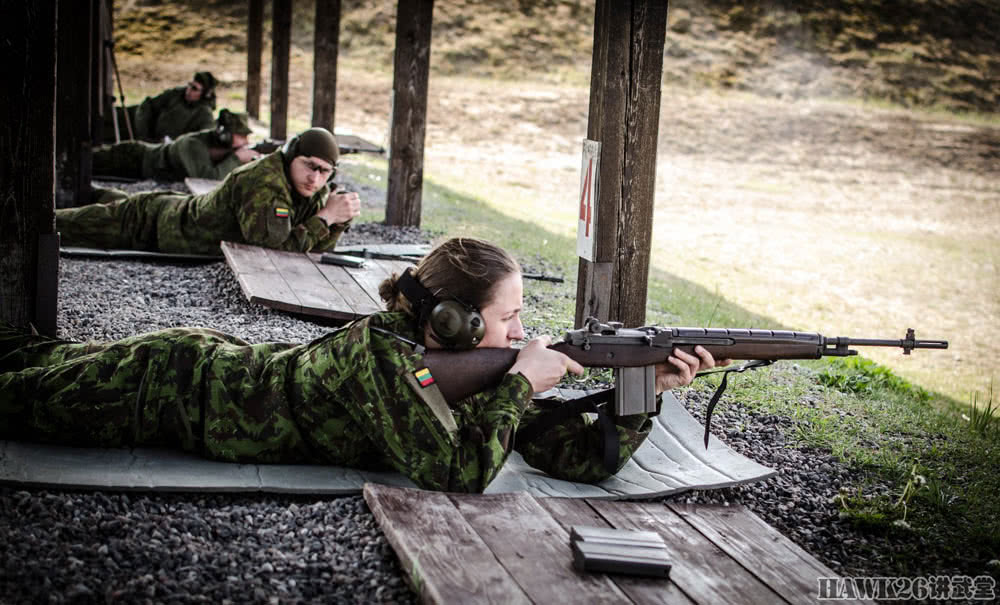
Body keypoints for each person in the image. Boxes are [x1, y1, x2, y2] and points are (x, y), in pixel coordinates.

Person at [0, 238, 727, 493]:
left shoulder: (462, 363)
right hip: (162, 386)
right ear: (457, 320)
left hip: (187, 371)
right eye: (509, 319)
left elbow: (564, 454)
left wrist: (644, 391)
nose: (522, 331)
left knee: (28, 355)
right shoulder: (382, 358)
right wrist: (518, 379)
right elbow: (461, 474)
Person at [57, 127, 361, 254]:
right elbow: (273, 245)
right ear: (290, 156)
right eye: (309, 165)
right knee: (58, 225)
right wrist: (325, 218)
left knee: (99, 206)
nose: (315, 178)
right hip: (153, 224)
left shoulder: (311, 188)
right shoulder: (265, 180)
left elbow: (316, 247)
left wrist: (337, 220)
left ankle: (89, 192)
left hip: (174, 211)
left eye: (324, 171)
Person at [92, 109, 260, 181]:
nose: (246, 141)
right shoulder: (193, 144)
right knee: (88, 161)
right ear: (224, 135)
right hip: (133, 158)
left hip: (139, 164)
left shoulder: (218, 147)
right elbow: (206, 177)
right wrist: (236, 159)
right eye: (242, 136)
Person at [129, 71, 219, 142]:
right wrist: (143, 135)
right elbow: (148, 105)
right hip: (148, 136)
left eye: (194, 88)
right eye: (189, 85)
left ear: (204, 94)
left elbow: (201, 142)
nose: (188, 90)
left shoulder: (205, 116)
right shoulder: (176, 94)